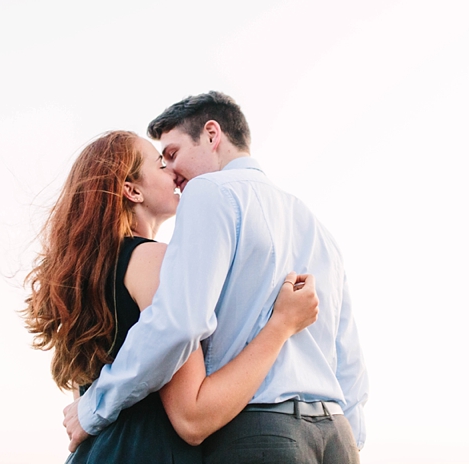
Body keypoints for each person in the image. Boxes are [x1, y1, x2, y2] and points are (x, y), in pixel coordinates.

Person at [65, 92, 369, 463]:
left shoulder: (208, 192)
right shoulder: (315, 225)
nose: (173, 174)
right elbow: (349, 359)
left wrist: (96, 405)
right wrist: (350, 440)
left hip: (260, 431)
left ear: (212, 135)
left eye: (172, 155)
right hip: (336, 432)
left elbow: (180, 323)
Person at [23, 130, 320, 463]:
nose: (173, 172)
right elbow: (195, 413)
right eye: (160, 163)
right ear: (132, 190)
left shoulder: (86, 280)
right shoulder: (154, 261)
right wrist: (281, 325)